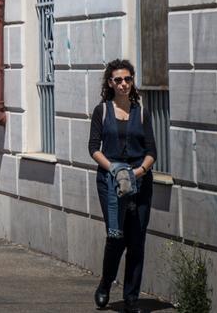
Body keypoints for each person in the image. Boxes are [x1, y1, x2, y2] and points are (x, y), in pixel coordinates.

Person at [88, 59, 156, 312]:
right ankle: (105, 284)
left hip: (140, 181)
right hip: (109, 181)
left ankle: (131, 298)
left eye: (127, 79)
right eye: (118, 80)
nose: (124, 84)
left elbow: (152, 151)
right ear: (110, 83)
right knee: (116, 237)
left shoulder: (142, 112)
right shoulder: (102, 111)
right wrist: (115, 169)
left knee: (137, 240)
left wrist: (137, 172)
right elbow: (93, 148)